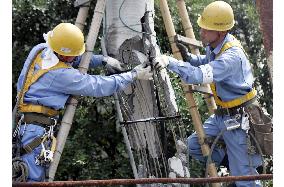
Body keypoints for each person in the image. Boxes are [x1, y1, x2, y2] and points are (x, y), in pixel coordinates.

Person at [13, 22, 153, 182]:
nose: (75, 57)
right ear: (64, 54)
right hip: (36, 132)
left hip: (25, 126)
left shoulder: (40, 50)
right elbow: (99, 85)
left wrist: (103, 60)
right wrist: (133, 74)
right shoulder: (62, 75)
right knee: (32, 181)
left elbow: (74, 59)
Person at [154, 1, 264, 187]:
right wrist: (189, 58)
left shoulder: (232, 57)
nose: (201, 32)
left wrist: (170, 62)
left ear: (220, 32)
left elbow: (199, 75)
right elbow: (207, 61)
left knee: (245, 180)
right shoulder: (216, 44)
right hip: (222, 115)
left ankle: (241, 171)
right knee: (194, 145)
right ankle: (234, 165)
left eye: (206, 30)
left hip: (239, 120)